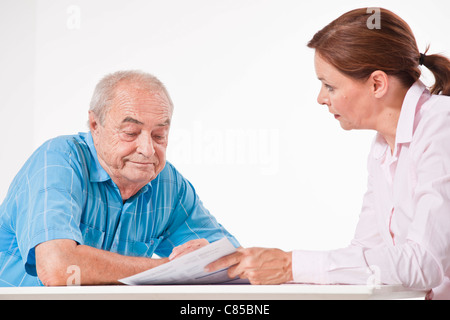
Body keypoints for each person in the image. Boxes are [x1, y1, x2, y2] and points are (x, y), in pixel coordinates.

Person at [206, 8, 450, 300]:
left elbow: (424, 263)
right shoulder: (383, 147)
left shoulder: (441, 128)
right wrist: (243, 266)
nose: (321, 98)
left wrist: (290, 266)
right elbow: (365, 256)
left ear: (377, 83)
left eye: (330, 86)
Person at [0, 70, 239, 286]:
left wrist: (212, 258)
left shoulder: (168, 184)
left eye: (159, 135)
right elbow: (58, 268)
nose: (147, 149)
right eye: (130, 133)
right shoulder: (58, 159)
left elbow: (236, 263)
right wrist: (173, 269)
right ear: (95, 124)